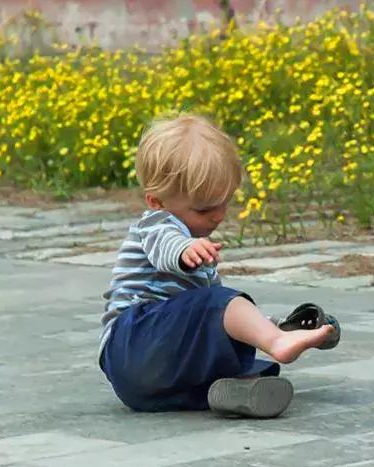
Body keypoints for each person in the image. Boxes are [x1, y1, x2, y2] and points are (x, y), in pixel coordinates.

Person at [98, 112, 340, 418]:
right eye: (205, 209)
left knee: (239, 352)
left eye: (226, 203)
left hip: (147, 385)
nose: (218, 216)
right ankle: (276, 341)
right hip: (133, 342)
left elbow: (221, 320)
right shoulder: (157, 224)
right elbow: (165, 244)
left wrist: (267, 323)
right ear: (156, 201)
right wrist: (185, 248)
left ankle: (233, 392)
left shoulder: (196, 266)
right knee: (221, 303)